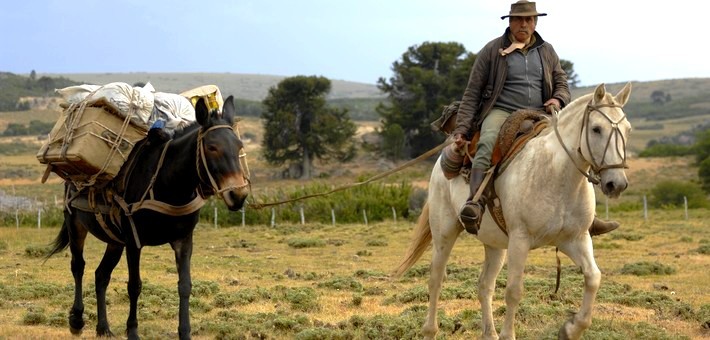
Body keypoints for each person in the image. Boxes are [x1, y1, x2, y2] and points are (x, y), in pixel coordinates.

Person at [451, 0, 619, 236]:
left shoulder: (547, 50)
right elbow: (472, 92)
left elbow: (561, 82)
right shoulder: (491, 50)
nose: (524, 24)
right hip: (502, 111)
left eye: (529, 19)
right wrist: (462, 129)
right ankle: (474, 203)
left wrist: (558, 100)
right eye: (519, 19)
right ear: (510, 22)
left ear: (535, 22)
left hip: (541, 113)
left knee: (572, 149)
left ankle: (585, 216)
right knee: (487, 141)